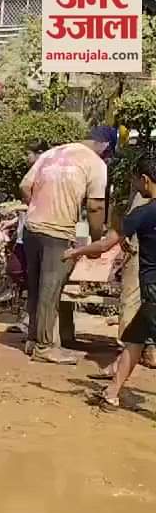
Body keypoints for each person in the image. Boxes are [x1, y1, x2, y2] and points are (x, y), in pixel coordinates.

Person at [67, 156, 156, 410]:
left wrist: (76, 251)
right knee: (135, 339)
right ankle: (111, 394)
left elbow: (106, 244)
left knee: (137, 339)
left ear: (145, 179)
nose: (134, 185)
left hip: (153, 288)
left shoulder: (143, 213)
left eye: (135, 180)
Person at [19, 127, 110, 364]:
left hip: (32, 228)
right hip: (58, 232)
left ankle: (33, 339)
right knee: (50, 290)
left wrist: (38, 207)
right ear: (105, 146)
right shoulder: (96, 164)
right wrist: (96, 240)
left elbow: (24, 186)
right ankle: (44, 347)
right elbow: (96, 206)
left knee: (36, 286)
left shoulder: (50, 154)